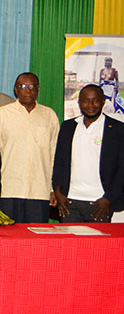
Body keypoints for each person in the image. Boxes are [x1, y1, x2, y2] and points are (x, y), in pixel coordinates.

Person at [52, 84, 124, 223]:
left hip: (100, 203)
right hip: (69, 202)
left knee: (98, 239)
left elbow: (122, 169)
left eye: (95, 100)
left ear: (103, 101)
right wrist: (58, 191)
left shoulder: (117, 129)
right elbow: (59, 161)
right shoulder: (68, 127)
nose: (90, 105)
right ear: (79, 103)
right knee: (70, 238)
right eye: (85, 101)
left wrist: (109, 198)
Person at [0, 72, 59, 223]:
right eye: (23, 86)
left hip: (39, 190)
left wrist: (52, 188)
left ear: (38, 89)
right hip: (8, 189)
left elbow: (54, 155)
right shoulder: (2, 114)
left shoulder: (49, 115)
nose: (28, 90)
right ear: (16, 89)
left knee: (37, 235)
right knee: (8, 235)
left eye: (32, 86)